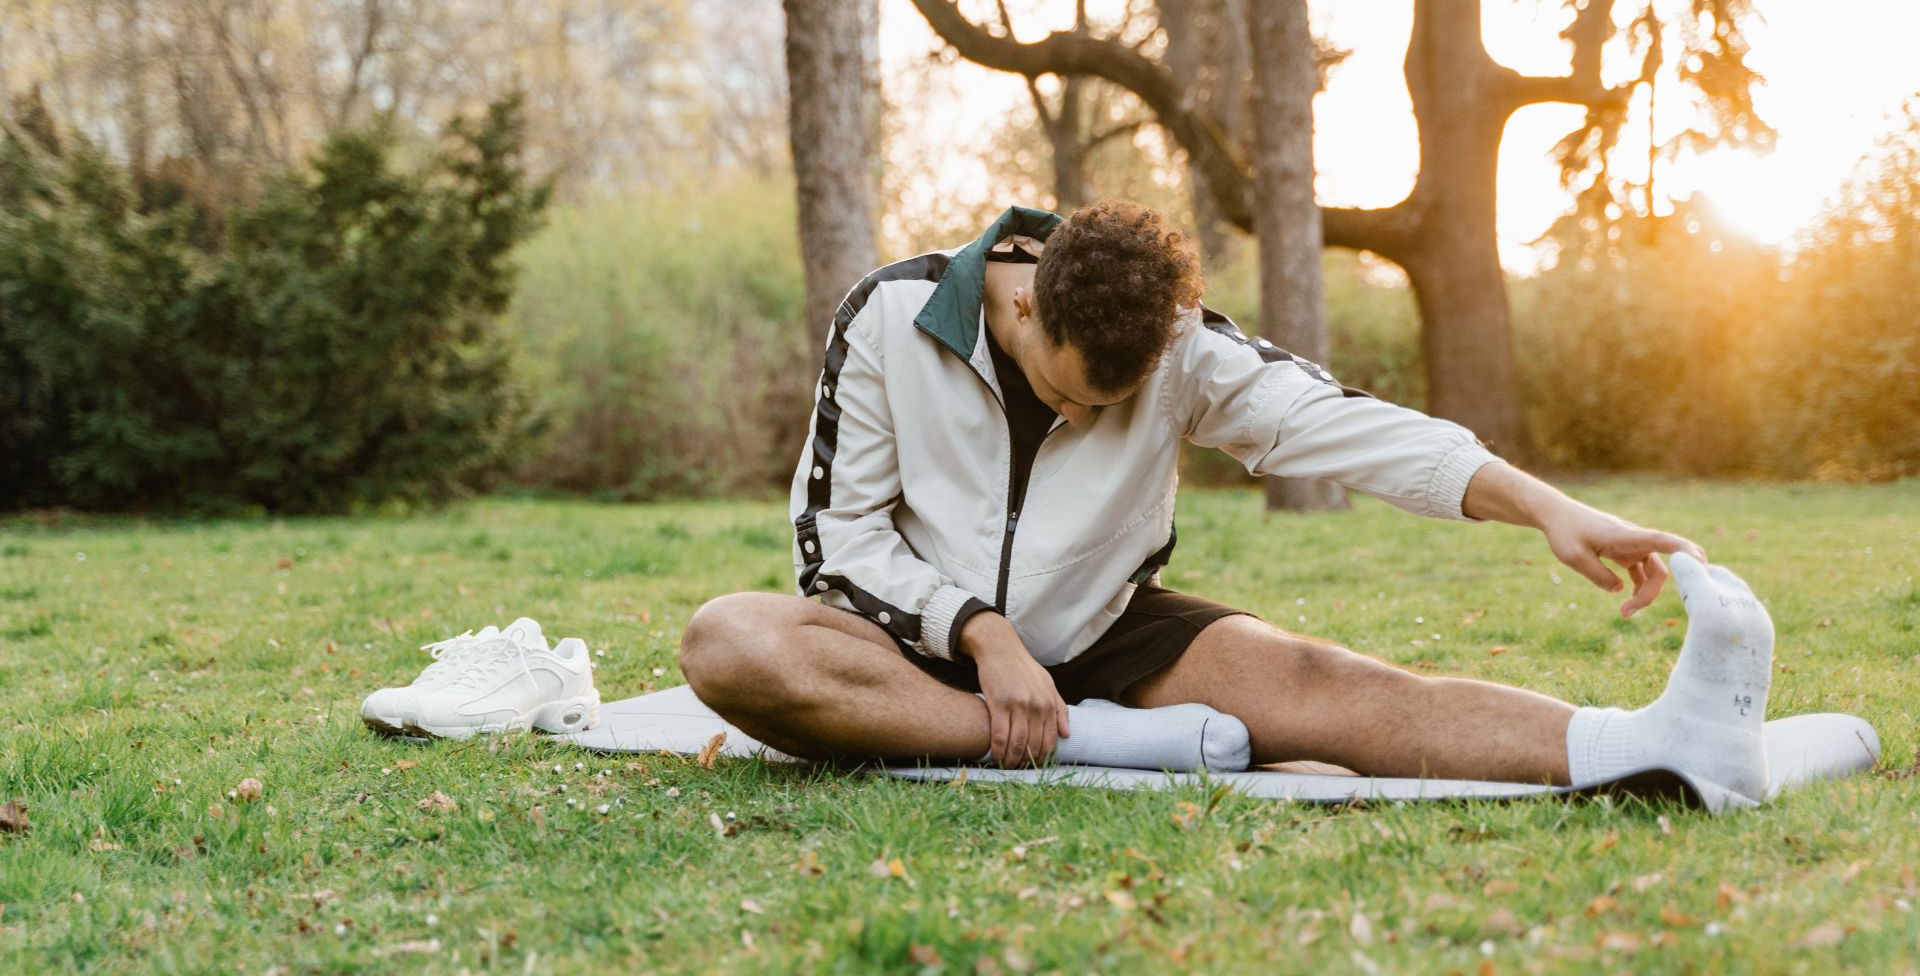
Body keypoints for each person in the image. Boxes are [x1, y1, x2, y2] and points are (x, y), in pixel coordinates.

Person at [678, 200, 1773, 804]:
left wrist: (1544, 507)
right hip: (913, 654)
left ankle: (1646, 744)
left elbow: (1346, 426)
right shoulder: (888, 317)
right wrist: (979, 631)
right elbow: (836, 544)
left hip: (1106, 633)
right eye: (1067, 391)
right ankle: (1085, 744)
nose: (1085, 415)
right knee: (732, 642)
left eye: (1114, 404)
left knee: (1326, 682)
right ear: (1021, 309)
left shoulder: (1181, 347)